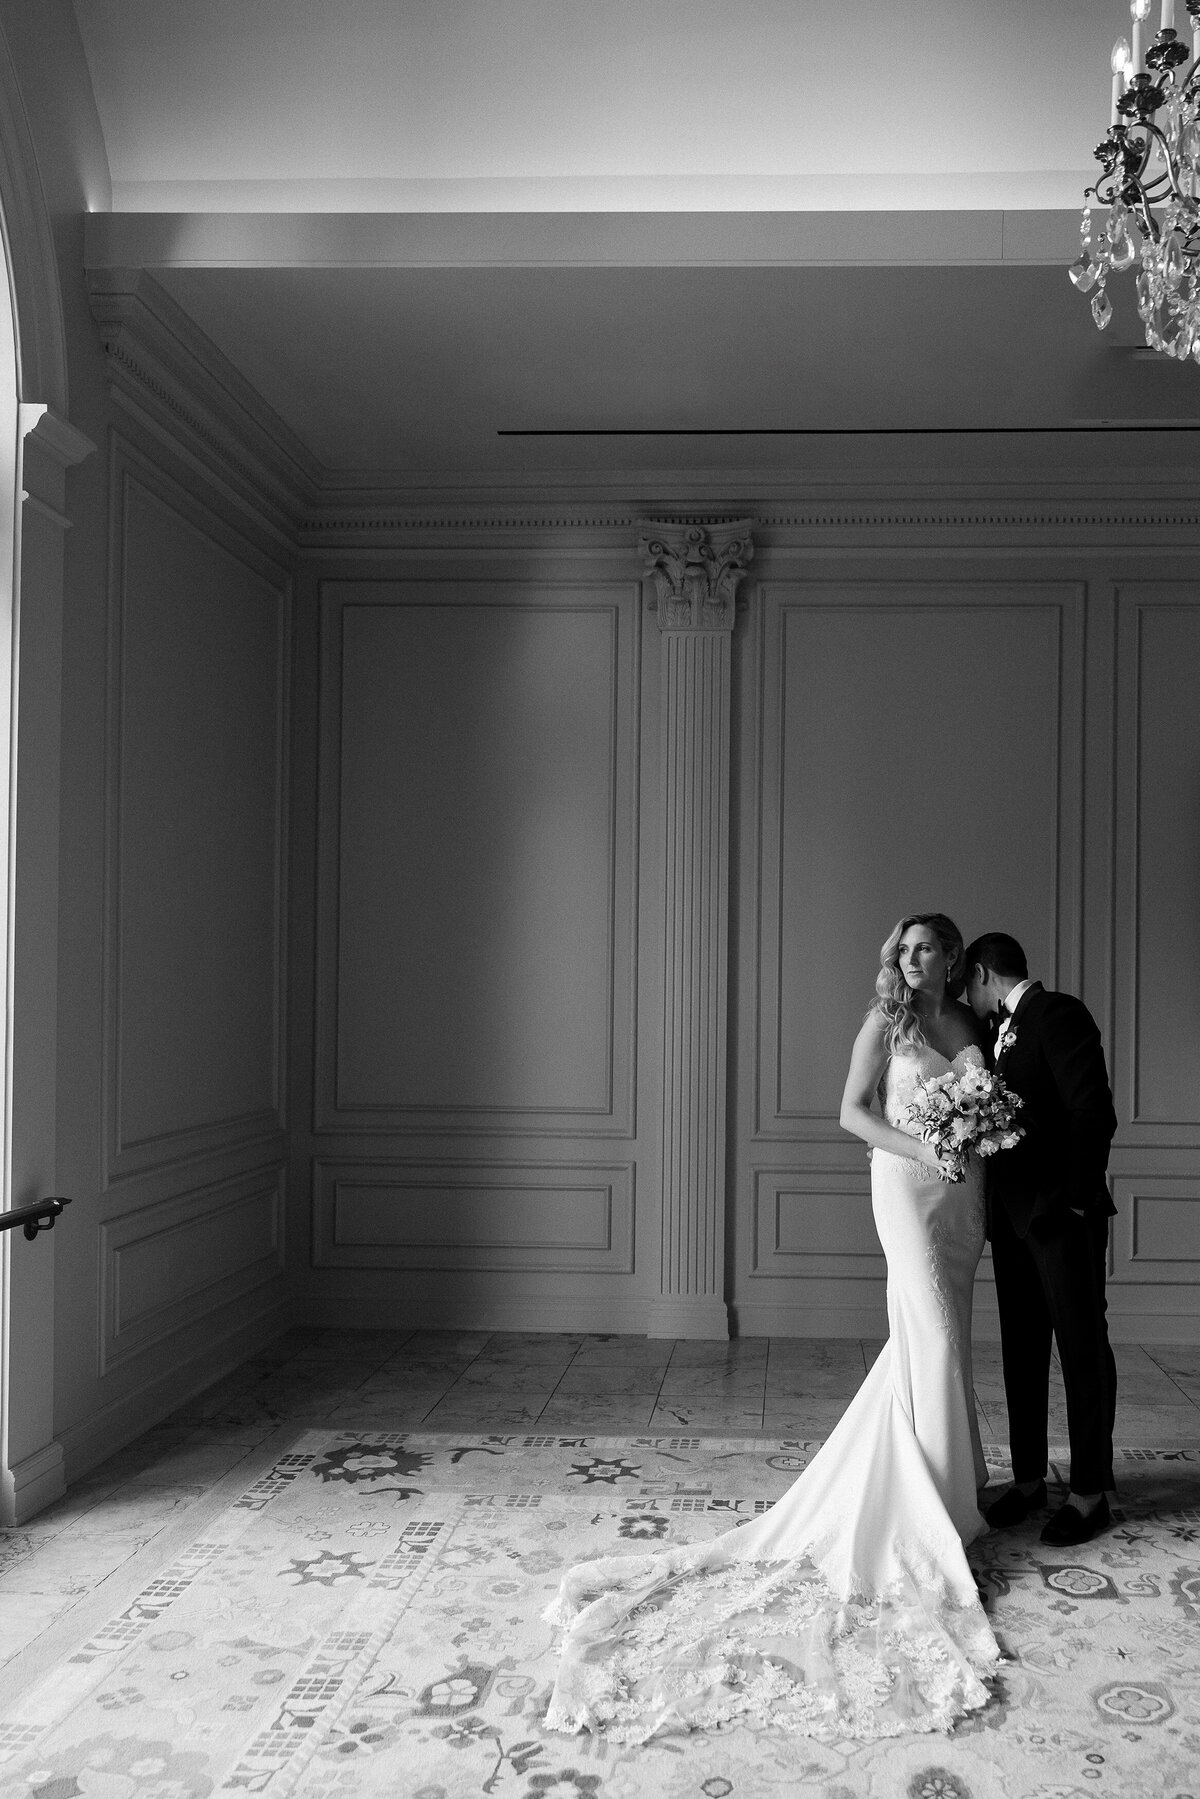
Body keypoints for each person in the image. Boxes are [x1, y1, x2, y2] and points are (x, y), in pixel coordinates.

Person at [542, 913, 1002, 1745]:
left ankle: (947, 1494)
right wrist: (923, 1147)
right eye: (904, 949)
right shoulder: (885, 1023)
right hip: (905, 1185)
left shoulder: (967, 1022)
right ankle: (927, 1509)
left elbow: (981, 1107)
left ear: (953, 956)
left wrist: (970, 1138)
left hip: (962, 1196)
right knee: (927, 1330)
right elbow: (849, 1114)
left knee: (943, 1338)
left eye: (927, 948)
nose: (914, 959)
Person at [963, 933, 1118, 1546]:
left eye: (967, 988)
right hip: (1014, 1218)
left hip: (1061, 1216)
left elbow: (1092, 1110)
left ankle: (1089, 1492)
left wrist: (1076, 1199)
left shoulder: (1059, 1013)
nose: (967, 1003)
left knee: (1081, 1349)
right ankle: (1029, 1480)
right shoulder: (1000, 1031)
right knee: (1021, 1348)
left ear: (981, 973)